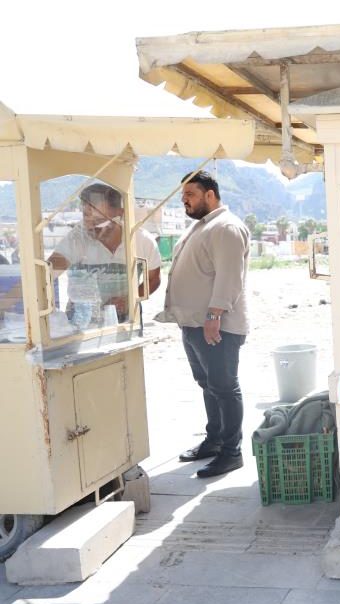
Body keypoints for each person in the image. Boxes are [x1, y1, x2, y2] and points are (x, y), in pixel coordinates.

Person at [156, 171, 251, 478]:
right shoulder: (202, 226)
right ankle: (214, 440)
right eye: (184, 195)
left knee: (224, 387)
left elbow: (228, 277)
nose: (185, 200)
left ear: (210, 195)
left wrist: (214, 316)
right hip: (194, 324)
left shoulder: (226, 227)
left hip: (217, 326)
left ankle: (231, 452)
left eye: (191, 194)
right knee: (208, 385)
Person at [48, 183, 161, 326]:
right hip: (80, 324)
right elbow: (46, 274)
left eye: (99, 222)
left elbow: (153, 279)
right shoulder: (77, 238)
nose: (91, 229)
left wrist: (129, 299)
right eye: (86, 218)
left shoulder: (142, 241)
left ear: (120, 214)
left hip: (127, 322)